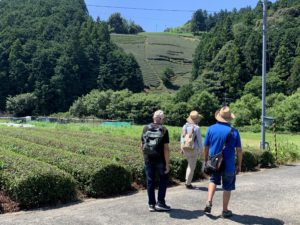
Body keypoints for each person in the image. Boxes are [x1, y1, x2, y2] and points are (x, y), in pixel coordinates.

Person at [203, 106, 243, 218]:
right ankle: (225, 211)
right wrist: (239, 164)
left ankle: (209, 201)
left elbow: (206, 147)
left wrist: (206, 160)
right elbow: (239, 150)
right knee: (227, 186)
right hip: (229, 163)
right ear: (229, 118)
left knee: (213, 180)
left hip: (214, 162)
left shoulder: (210, 129)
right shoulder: (234, 132)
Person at [141, 110, 171, 212]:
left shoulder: (145, 128)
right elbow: (166, 148)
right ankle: (161, 203)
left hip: (148, 159)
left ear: (153, 117)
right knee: (163, 179)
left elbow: (142, 145)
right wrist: (167, 164)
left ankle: (151, 205)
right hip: (160, 159)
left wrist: (145, 157)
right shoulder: (164, 129)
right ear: (161, 119)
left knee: (150, 181)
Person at [180, 110, 203, 189]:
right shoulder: (196, 128)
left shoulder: (185, 126)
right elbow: (199, 141)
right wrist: (201, 151)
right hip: (193, 148)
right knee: (191, 166)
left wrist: (181, 148)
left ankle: (187, 180)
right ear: (196, 119)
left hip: (185, 148)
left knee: (189, 164)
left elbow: (182, 138)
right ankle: (188, 183)